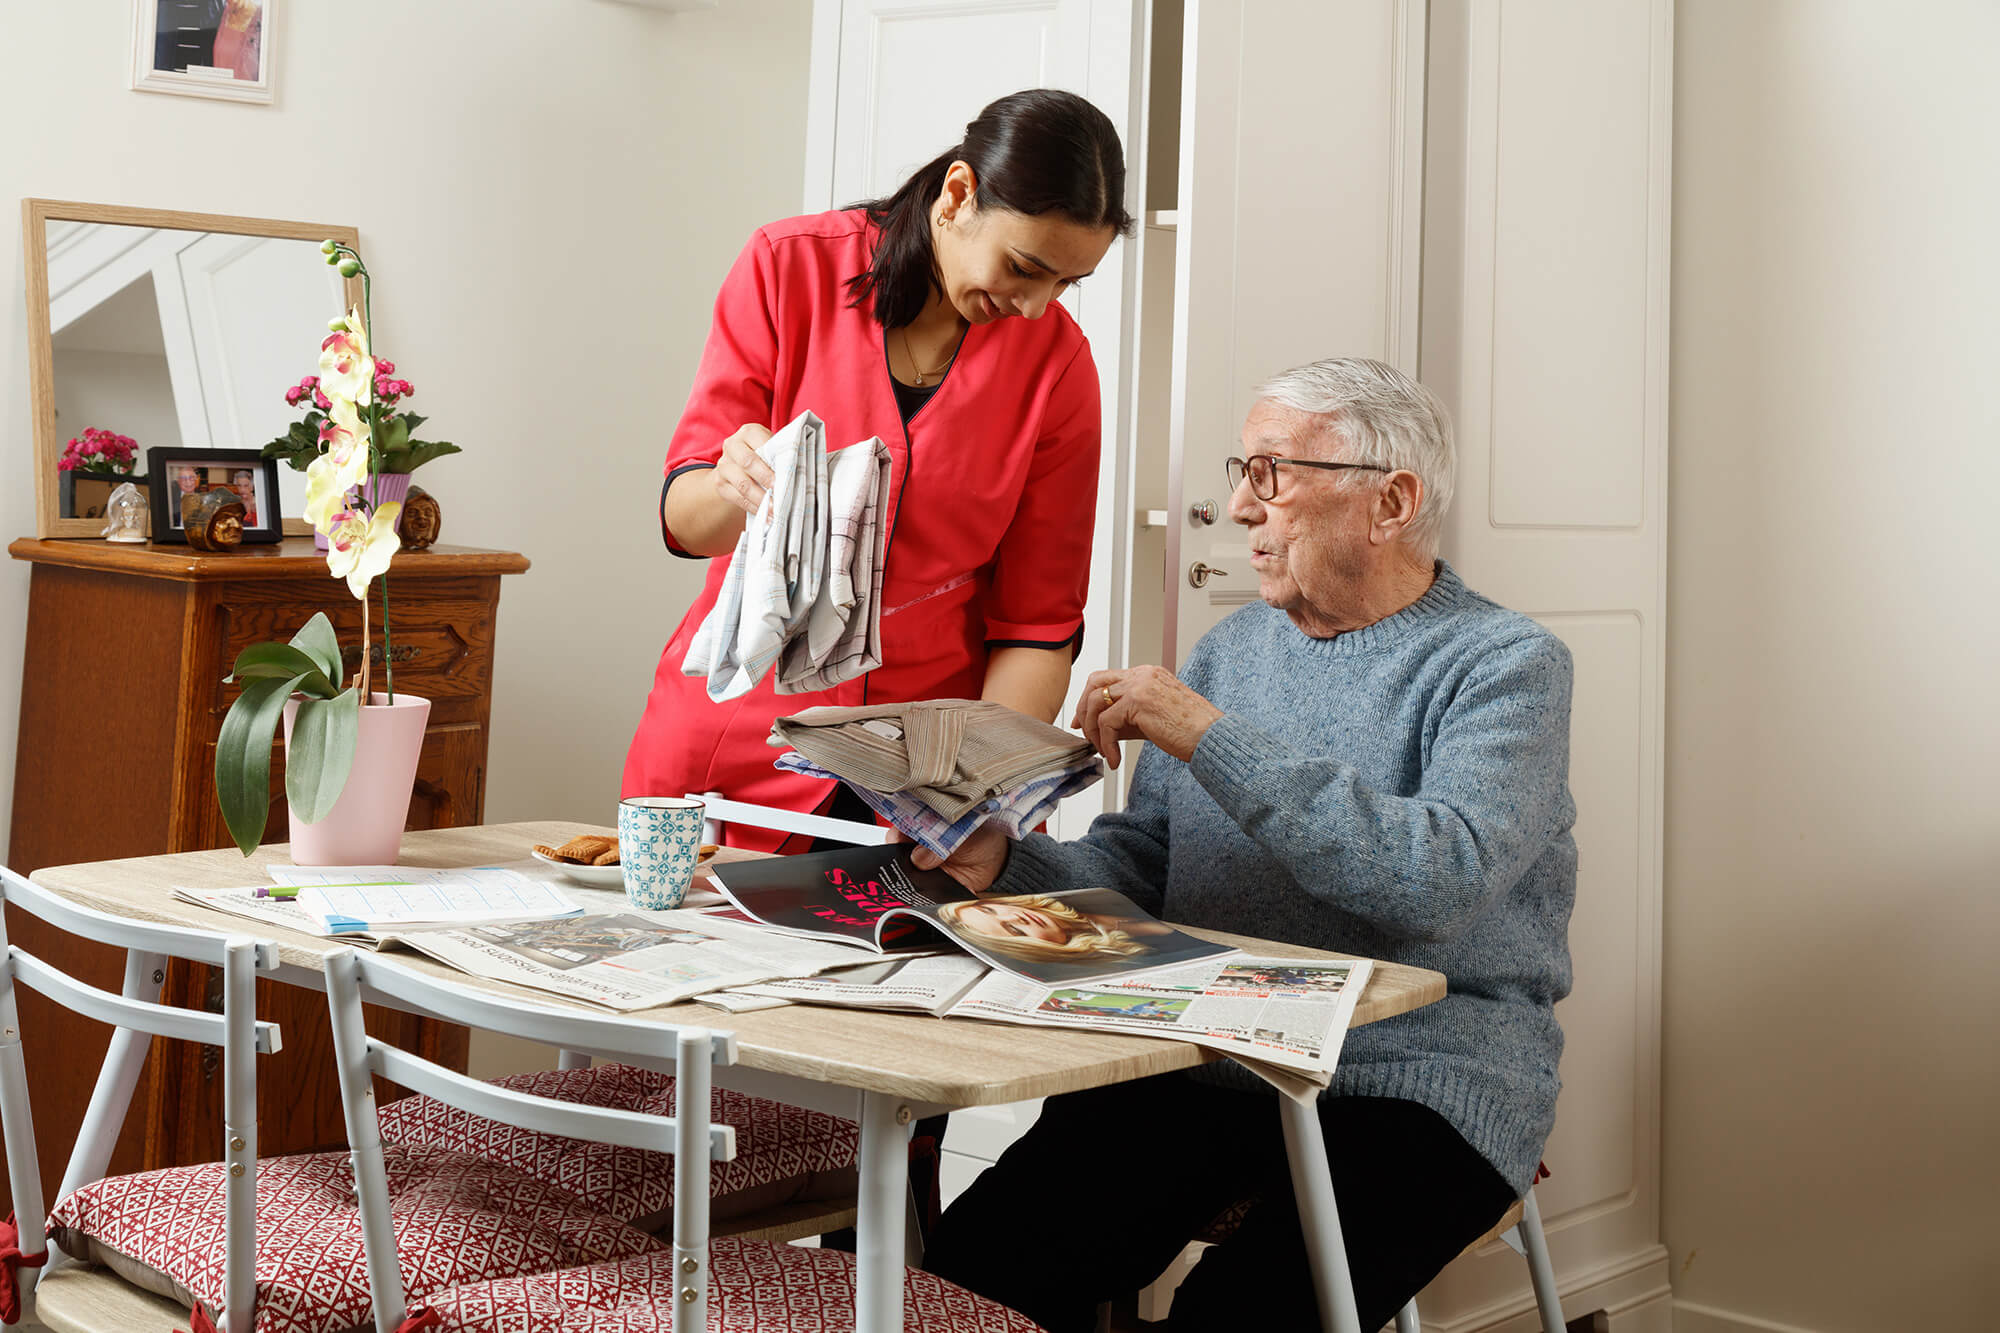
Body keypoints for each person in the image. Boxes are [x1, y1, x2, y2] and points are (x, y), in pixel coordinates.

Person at [919, 358, 1577, 1332]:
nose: (1235, 506)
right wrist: (1003, 864)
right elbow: (1144, 866)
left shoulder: (1504, 665)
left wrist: (1205, 734)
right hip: (1208, 1050)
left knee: (1232, 1317)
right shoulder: (1228, 653)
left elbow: (1434, 878)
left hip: (1419, 1074)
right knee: (970, 1280)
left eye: (1267, 473)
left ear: (1387, 502)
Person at [622, 89, 1133, 853]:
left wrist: (982, 805)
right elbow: (685, 523)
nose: (1035, 306)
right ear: (959, 194)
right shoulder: (786, 267)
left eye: (1066, 283)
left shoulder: (1058, 367)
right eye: (1026, 267)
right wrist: (736, 482)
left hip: (921, 781)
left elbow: (1036, 626)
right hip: (730, 751)